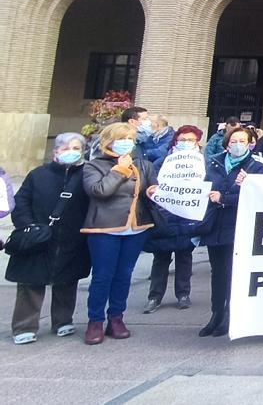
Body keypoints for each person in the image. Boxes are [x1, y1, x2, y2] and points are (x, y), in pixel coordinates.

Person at [6, 133, 91, 345]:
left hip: (72, 237)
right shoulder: (38, 174)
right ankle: (24, 327)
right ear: (55, 152)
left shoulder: (87, 175)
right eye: (65, 148)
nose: (71, 152)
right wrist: (29, 226)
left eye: (76, 148)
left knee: (67, 281)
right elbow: (21, 202)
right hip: (39, 237)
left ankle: (62, 321)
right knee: (31, 283)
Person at [80, 122, 158, 345]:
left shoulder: (143, 165)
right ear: (109, 142)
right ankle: (94, 321)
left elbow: (152, 188)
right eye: (121, 139)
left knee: (124, 275)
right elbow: (99, 191)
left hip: (135, 228)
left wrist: (154, 191)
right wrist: (119, 170)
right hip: (105, 228)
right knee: (103, 276)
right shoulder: (95, 166)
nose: (126, 143)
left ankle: (116, 317)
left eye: (130, 139)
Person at [193, 125, 263, 338]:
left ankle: (230, 314)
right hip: (214, 224)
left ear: (251, 143)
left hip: (238, 224)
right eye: (233, 141)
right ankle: (216, 313)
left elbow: (257, 195)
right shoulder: (212, 163)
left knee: (233, 271)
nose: (237, 145)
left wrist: (224, 198)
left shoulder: (256, 167)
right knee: (218, 272)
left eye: (242, 141)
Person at [142, 125, 205, 315]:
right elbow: (151, 182)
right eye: (182, 140)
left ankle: (183, 294)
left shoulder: (203, 162)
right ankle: (154, 296)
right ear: (176, 141)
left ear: (197, 142)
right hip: (165, 216)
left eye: (191, 140)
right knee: (161, 258)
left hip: (187, 216)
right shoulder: (163, 162)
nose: (186, 143)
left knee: (185, 258)